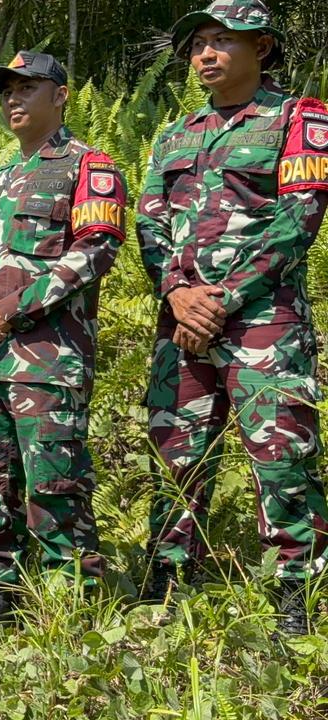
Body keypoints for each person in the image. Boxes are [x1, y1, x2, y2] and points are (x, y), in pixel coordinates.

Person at [137, 0, 328, 634]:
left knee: (281, 455)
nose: (206, 54)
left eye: (223, 41)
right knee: (175, 453)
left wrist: (219, 299)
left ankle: (295, 593)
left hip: (262, 322)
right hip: (181, 321)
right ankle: (167, 580)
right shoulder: (177, 132)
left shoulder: (299, 118)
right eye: (198, 45)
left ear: (264, 48)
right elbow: (150, 221)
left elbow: (299, 218)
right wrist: (177, 294)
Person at [0, 51, 126, 639]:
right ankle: (4, 600)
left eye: (28, 87)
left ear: (62, 95)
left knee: (54, 484)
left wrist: (9, 307)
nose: (14, 99)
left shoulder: (88, 167)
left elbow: (94, 252)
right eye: (6, 91)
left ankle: (72, 608)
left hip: (47, 362)